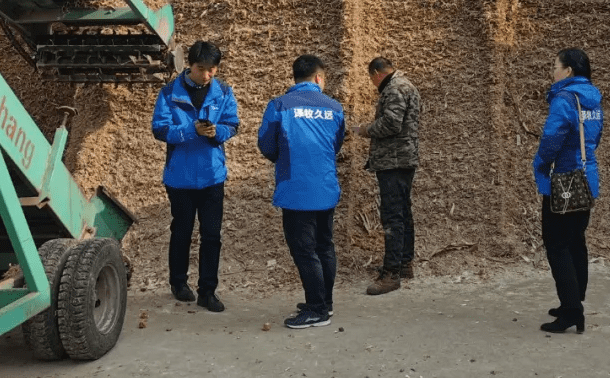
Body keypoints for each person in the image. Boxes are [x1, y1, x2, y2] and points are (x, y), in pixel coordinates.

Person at [257, 54, 346, 329]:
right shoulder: (334, 107)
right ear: (319, 78)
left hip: (296, 188)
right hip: (325, 186)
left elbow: (266, 145)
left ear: (295, 77)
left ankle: (316, 310)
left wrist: (283, 159)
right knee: (324, 246)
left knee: (304, 250)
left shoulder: (280, 105)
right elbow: (336, 143)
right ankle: (324, 303)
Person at [151, 41, 239, 311]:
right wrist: (192, 130)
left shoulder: (223, 92)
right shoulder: (168, 93)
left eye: (212, 70)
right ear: (189, 65)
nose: (207, 75)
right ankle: (178, 283)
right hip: (180, 178)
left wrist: (217, 133)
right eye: (201, 69)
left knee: (212, 235)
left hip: (212, 176)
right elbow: (160, 130)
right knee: (182, 232)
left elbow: (232, 124)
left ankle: (207, 291)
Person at [532, 48, 603, 334]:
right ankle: (572, 301)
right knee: (575, 242)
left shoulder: (564, 99)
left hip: (564, 180)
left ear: (569, 71)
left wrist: (540, 163)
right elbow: (595, 135)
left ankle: (572, 311)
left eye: (555, 66)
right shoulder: (593, 99)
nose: (553, 71)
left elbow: (552, 137)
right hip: (587, 178)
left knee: (557, 244)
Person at [354, 57, 421, 295]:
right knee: (403, 212)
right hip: (403, 159)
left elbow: (391, 124)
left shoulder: (394, 88)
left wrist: (365, 130)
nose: (373, 84)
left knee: (392, 215)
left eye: (371, 79)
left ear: (376, 73)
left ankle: (391, 274)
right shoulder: (406, 85)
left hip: (394, 161)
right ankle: (404, 264)